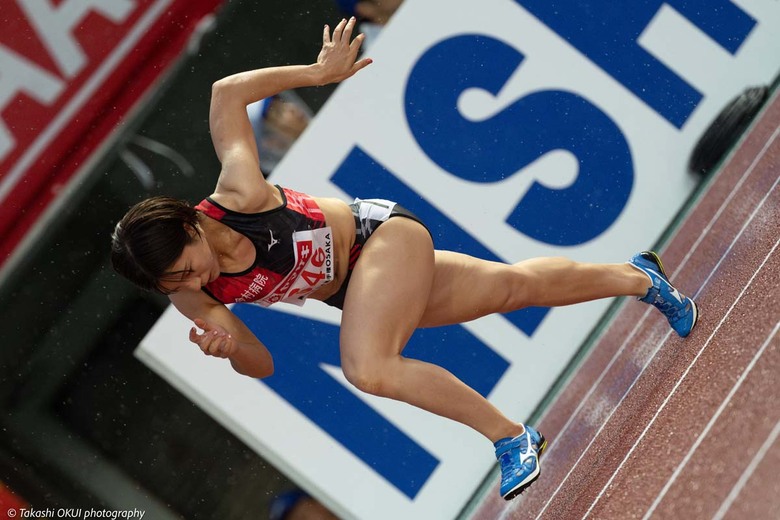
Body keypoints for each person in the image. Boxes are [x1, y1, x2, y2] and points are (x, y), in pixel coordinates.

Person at [110, 17, 699, 501]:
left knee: (368, 368)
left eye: (187, 264)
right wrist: (229, 350)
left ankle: (511, 437)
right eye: (174, 282)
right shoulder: (193, 296)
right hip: (354, 288)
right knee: (513, 289)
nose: (193, 279)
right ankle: (638, 276)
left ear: (190, 223)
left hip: (381, 236)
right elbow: (261, 362)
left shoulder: (237, 192)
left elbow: (225, 93)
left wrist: (317, 74)